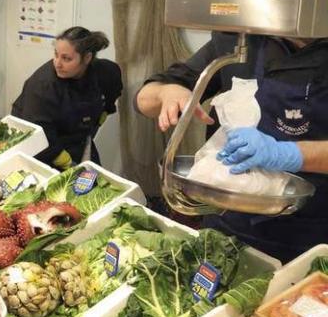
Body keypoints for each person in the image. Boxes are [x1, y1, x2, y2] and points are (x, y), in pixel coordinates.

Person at [136, 32, 328, 262]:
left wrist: (290, 154)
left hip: (310, 231)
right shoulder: (241, 38)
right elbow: (144, 100)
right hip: (226, 219)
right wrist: (167, 92)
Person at [11, 27, 122, 170]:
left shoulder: (106, 72)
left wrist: (104, 112)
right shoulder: (43, 85)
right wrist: (66, 162)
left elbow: (113, 89)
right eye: (56, 55)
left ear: (87, 58)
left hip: (77, 138)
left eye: (66, 58)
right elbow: (39, 133)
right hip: (38, 143)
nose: (57, 63)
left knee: (94, 182)